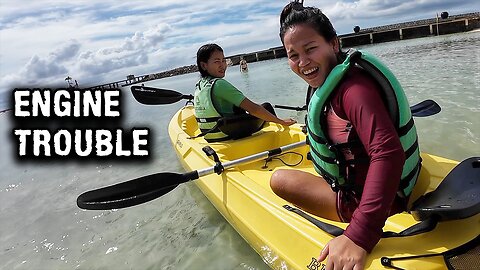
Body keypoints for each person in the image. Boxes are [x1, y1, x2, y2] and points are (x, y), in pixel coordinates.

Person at [270, 2, 421, 270]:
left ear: (334, 44)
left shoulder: (352, 90)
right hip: (400, 184)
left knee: (279, 179)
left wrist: (359, 235)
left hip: (372, 202)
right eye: (293, 55)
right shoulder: (339, 79)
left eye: (311, 49)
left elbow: (388, 153)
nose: (303, 62)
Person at [194, 43, 296, 142]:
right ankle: (281, 136)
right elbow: (254, 110)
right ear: (204, 65)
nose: (222, 65)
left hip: (211, 137)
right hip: (228, 135)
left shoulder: (199, 85)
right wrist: (281, 121)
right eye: (217, 61)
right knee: (266, 107)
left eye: (223, 60)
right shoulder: (219, 84)